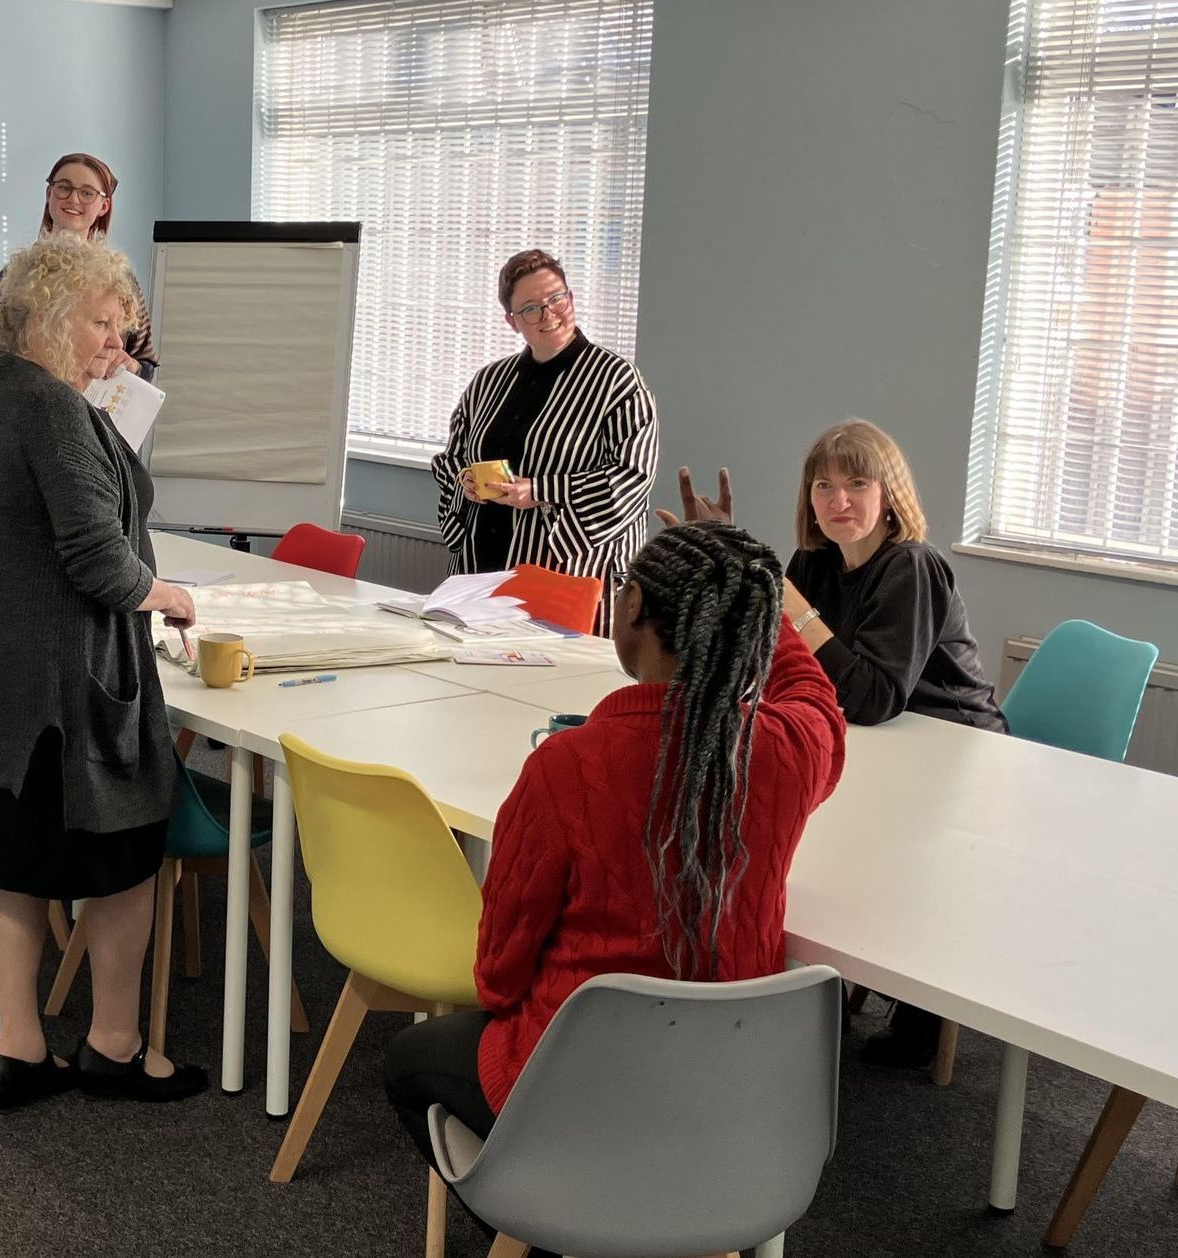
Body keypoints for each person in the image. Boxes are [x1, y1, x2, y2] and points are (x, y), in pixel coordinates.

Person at [383, 521, 845, 1243]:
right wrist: (756, 589)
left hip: (576, 1095)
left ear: (630, 608)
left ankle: (554, 1229)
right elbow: (817, 699)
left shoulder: (566, 768)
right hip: (736, 1100)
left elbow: (500, 977)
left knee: (410, 1062)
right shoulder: (787, 755)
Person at [0, 235, 204, 1108]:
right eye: (100, 322)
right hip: (65, 693)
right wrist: (171, 593)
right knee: (124, 869)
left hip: (1, 687)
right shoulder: (52, 407)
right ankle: (114, 1048)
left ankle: (18, 1048)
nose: (114, 341)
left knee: (15, 869)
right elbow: (101, 563)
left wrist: (101, 390)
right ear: (49, 320)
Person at [663, 420, 1006, 1067]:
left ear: (890, 495)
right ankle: (815, 995)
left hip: (950, 750)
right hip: (870, 744)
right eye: (824, 486)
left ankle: (917, 1014)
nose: (838, 501)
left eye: (857, 484)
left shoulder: (913, 565)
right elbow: (765, 666)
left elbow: (874, 697)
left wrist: (790, 604)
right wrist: (727, 561)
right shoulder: (814, 563)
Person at [431, 249, 659, 635]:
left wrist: (541, 491)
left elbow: (632, 478)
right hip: (481, 569)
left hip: (564, 576)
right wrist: (465, 480)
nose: (549, 314)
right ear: (512, 321)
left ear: (570, 298)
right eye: (531, 308)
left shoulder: (618, 382)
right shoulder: (488, 381)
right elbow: (451, 458)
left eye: (557, 298)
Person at [0, 152, 158, 381]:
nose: (73, 199)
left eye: (87, 193)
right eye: (63, 188)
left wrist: (132, 366)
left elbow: (146, 363)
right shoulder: (18, 277)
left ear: (104, 206)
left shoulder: (119, 280)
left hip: (98, 413)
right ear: (49, 194)